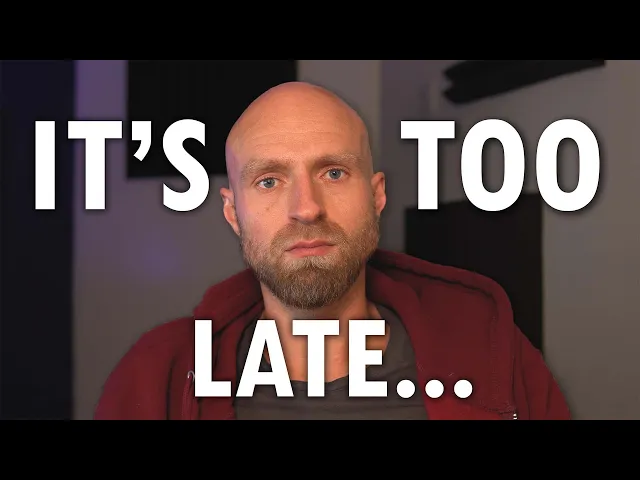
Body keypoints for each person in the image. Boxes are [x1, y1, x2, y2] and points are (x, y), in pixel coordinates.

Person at [94, 82, 570, 420]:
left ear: (376, 196)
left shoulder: (493, 352)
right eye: (269, 181)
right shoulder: (157, 375)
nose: (306, 208)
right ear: (234, 213)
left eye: (334, 173)